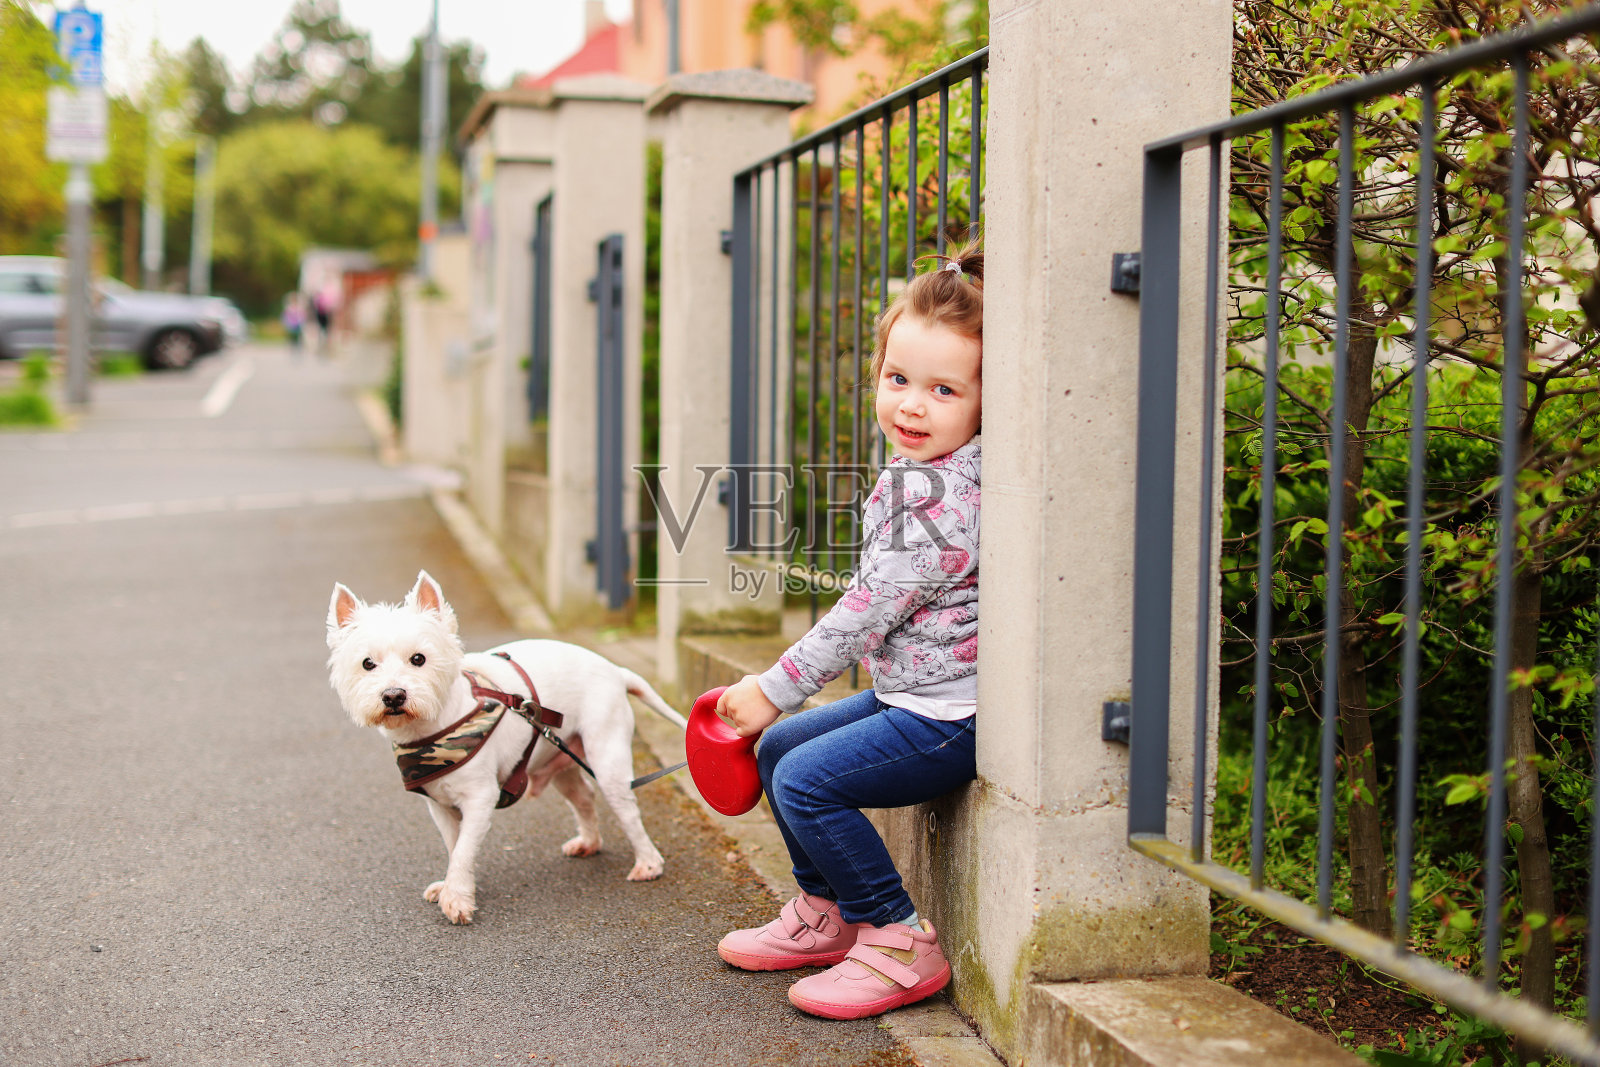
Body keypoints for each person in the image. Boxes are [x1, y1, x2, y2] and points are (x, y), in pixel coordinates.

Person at [715, 241, 984, 1021]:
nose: (911, 405)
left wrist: (773, 686)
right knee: (777, 751)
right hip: (911, 694)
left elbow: (865, 610)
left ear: (982, 402)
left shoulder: (945, 503)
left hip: (949, 717)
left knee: (806, 778)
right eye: (898, 380)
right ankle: (828, 913)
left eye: (943, 390)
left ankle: (899, 939)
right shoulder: (919, 470)